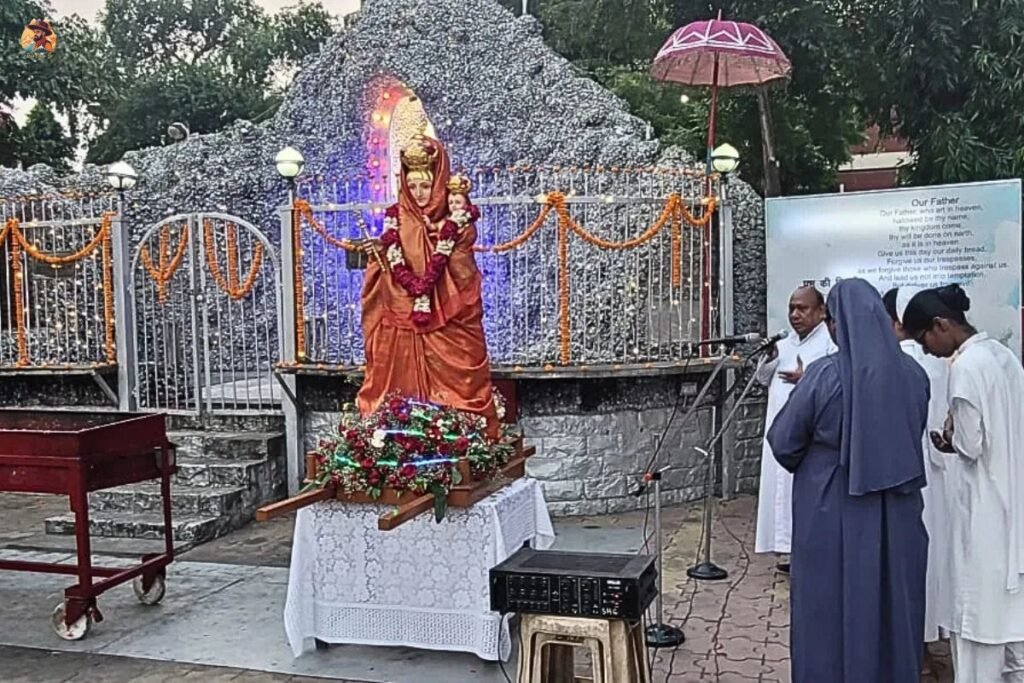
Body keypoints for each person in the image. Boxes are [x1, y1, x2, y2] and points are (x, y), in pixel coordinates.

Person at [768, 278, 930, 682]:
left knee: (827, 606)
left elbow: (784, 440)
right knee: (893, 602)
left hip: (830, 508)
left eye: (835, 321)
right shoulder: (914, 375)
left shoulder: (824, 376)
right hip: (898, 510)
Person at [903, 284, 1024, 682]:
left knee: (975, 636)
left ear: (941, 325)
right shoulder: (1002, 355)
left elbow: (972, 445)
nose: (925, 351)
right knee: (1014, 637)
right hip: (1013, 500)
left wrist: (951, 435)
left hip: (984, 507)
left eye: (924, 340)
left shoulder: (966, 366)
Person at [358, 136, 500, 437]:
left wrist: (438, 252)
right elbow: (383, 267)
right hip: (401, 312)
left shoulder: (457, 221)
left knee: (463, 364)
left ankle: (457, 431)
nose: (419, 193)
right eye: (413, 187)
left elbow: (462, 271)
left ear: (437, 183)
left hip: (449, 317)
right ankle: (403, 430)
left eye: (425, 186)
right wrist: (383, 262)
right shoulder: (395, 219)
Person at [884, 287, 954, 660]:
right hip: (942, 471)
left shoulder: (901, 364)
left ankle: (917, 651)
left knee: (915, 561)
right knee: (939, 556)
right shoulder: (943, 360)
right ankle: (931, 644)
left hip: (912, 474)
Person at [754, 285, 836, 567]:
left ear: (822, 311)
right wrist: (768, 357)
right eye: (791, 308)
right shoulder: (785, 342)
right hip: (780, 431)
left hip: (810, 436)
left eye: (803, 308)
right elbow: (762, 380)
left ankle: (804, 551)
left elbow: (835, 385)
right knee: (778, 488)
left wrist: (807, 379)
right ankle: (784, 550)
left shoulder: (829, 343)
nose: (795, 314)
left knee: (800, 490)